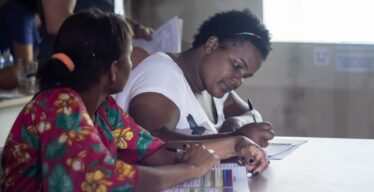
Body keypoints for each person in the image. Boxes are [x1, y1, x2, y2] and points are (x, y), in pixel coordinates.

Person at [1, 9, 269, 191]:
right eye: (131, 55)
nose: (138, 59)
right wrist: (190, 169)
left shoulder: (105, 110)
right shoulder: (59, 105)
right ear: (115, 69)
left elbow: (154, 150)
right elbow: (106, 181)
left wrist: (235, 145)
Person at [115, 9, 275, 147]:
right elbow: (150, 144)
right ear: (211, 45)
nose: (239, 81)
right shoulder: (162, 75)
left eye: (245, 76)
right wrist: (234, 140)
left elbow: (252, 115)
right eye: (238, 66)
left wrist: (235, 123)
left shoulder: (213, 87)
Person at [36, 0, 153, 66]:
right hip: (71, 71)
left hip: (100, 70)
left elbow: (103, 14)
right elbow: (57, 22)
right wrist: (117, 47)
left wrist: (135, 29)